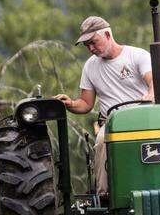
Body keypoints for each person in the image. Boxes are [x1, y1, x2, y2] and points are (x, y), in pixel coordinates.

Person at [54, 16, 154, 194]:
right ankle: (105, 195)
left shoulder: (137, 55)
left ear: (107, 35)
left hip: (144, 118)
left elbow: (154, 82)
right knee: (102, 140)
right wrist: (69, 103)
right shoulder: (90, 67)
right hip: (113, 124)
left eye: (93, 42)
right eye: (87, 46)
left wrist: (150, 94)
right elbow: (85, 103)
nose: (91, 49)